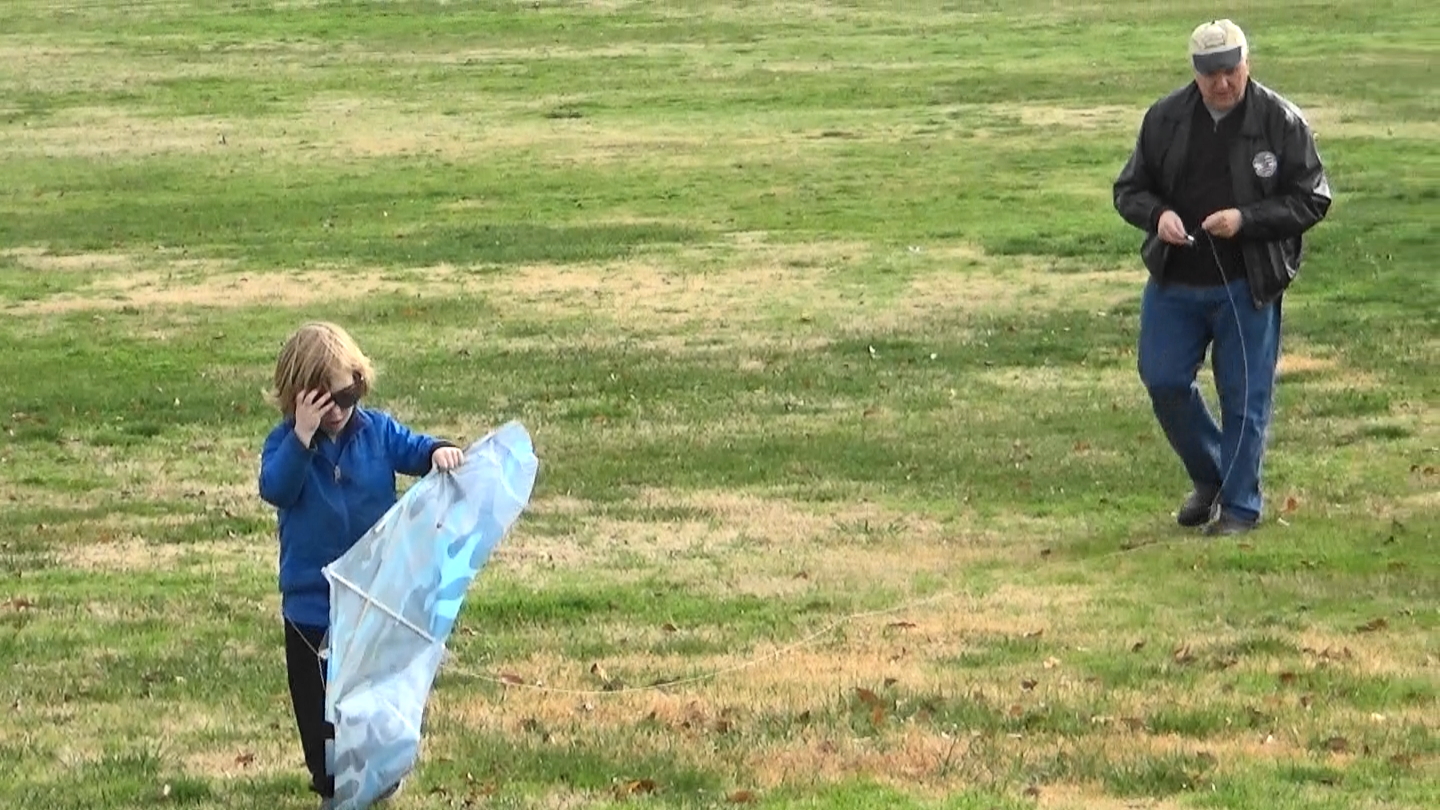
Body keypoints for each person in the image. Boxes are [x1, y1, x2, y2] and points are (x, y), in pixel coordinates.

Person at [1113, 19, 1331, 536]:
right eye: (1210, 73)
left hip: (1247, 281)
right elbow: (1129, 189)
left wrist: (1245, 221)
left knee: (1244, 396)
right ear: (1195, 71)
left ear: (1246, 63)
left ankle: (1240, 509)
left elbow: (1312, 197)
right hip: (1176, 280)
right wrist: (1157, 215)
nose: (1222, 83)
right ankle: (1213, 477)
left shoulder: (1280, 121)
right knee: (1163, 380)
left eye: (1230, 70)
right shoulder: (1164, 119)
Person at [258, 321, 465, 805]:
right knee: (320, 718)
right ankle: (331, 782)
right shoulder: (286, 445)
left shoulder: (376, 431)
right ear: (297, 400)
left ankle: (378, 771)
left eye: (346, 398)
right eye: (324, 404)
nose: (339, 413)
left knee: (373, 701)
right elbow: (277, 488)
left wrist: (438, 450)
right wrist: (302, 439)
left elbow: (413, 449)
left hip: (372, 599)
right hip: (312, 609)